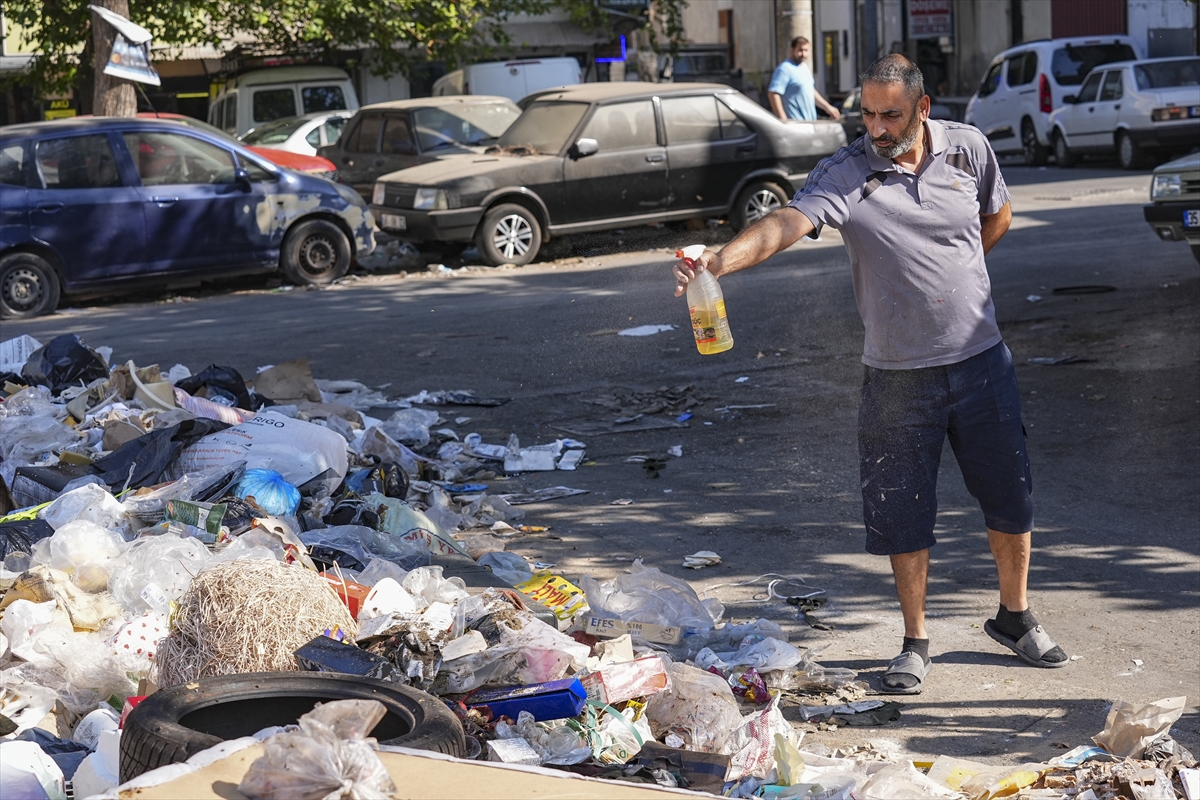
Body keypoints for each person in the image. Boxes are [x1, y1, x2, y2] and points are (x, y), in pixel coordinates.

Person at [673, 54, 1068, 694]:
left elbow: (998, 216)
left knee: (1011, 497)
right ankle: (915, 641)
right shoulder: (848, 171)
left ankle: (1014, 617)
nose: (877, 127)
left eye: (891, 114)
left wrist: (956, 275)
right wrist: (720, 261)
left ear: (922, 109)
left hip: (982, 361)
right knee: (903, 515)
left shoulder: (968, 149)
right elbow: (786, 223)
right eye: (868, 113)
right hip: (897, 377)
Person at [768, 37, 842, 122]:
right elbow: (773, 94)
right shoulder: (784, 69)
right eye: (800, 50)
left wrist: (828, 107)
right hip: (794, 124)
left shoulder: (804, 68)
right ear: (792, 50)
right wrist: (783, 119)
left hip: (810, 122)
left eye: (806, 50)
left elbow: (811, 91)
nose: (803, 54)